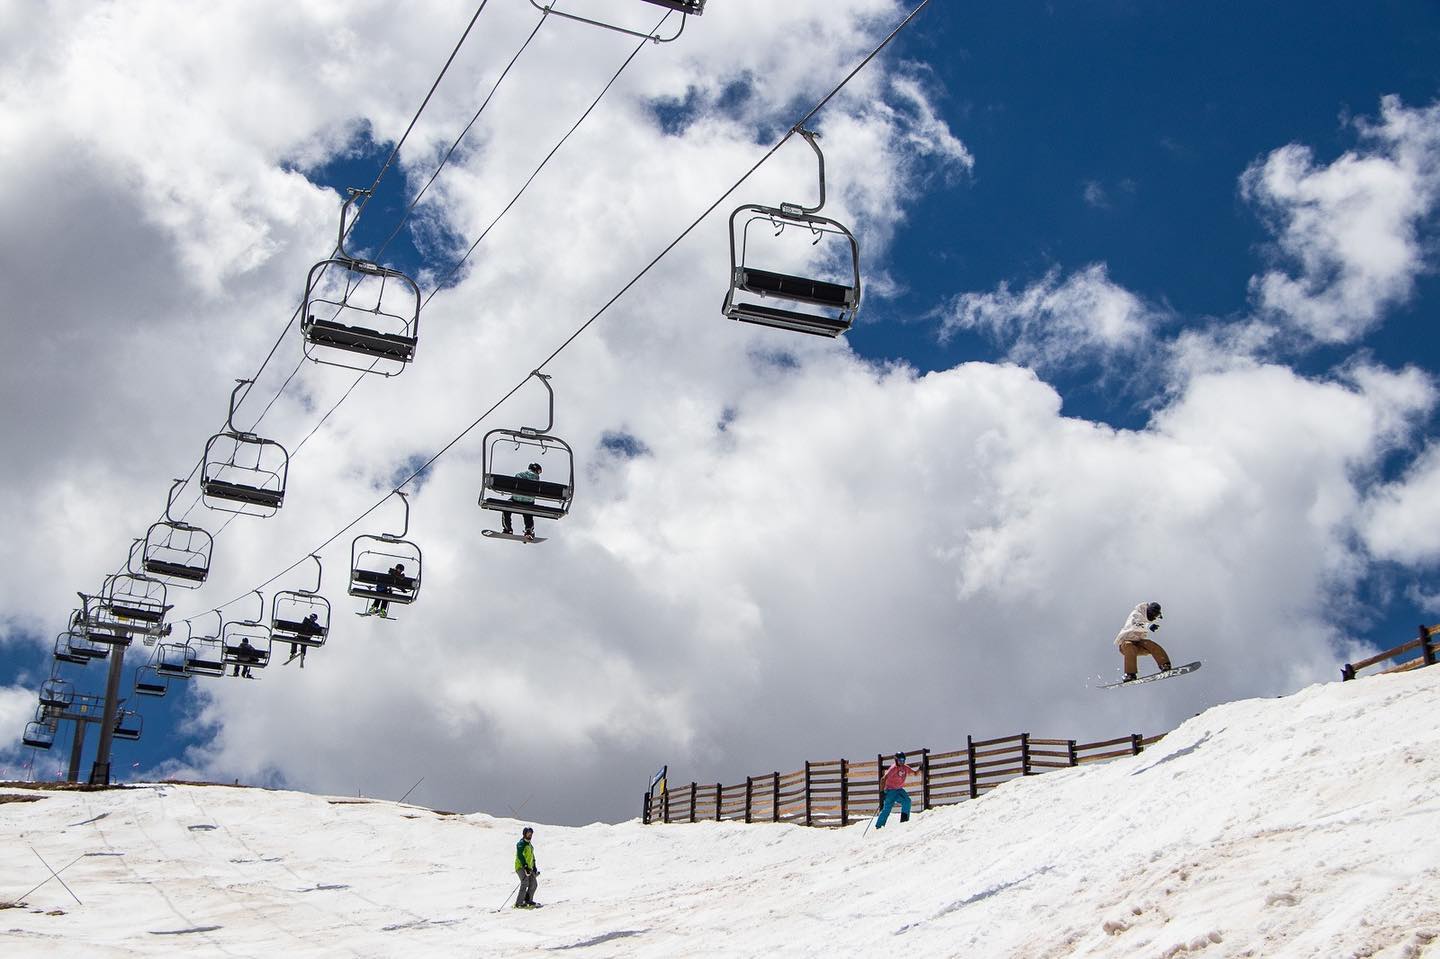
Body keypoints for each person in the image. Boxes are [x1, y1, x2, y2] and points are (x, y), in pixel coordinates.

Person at [1115, 601, 1171, 681]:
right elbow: (1135, 624)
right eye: (1155, 615)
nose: (1155, 618)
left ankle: (1165, 664)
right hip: (1126, 645)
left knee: (1149, 643)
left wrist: (1149, 625)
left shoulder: (1146, 619)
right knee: (1129, 645)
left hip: (1138, 644)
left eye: (1157, 616)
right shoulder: (1136, 614)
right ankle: (1130, 674)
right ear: (1150, 612)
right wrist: (1149, 626)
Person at [875, 752, 919, 829]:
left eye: (903, 760)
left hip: (899, 790)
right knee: (887, 809)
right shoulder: (893, 768)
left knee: (907, 801)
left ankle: (904, 821)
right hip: (890, 791)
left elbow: (915, 773)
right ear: (896, 760)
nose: (902, 762)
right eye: (900, 760)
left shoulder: (905, 767)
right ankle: (879, 826)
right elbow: (883, 779)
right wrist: (882, 792)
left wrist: (920, 768)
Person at [502, 463, 542, 542]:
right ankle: (528, 530)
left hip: (516, 499)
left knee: (506, 508)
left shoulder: (519, 475)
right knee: (528, 512)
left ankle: (508, 529)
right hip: (528, 502)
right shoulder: (536, 478)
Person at [514, 826, 540, 909]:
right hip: (521, 867)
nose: (530, 835)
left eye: (531, 833)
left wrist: (534, 866)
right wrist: (525, 867)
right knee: (525, 883)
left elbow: (532, 856)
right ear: (524, 834)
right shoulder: (521, 844)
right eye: (528, 833)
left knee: (534, 884)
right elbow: (520, 855)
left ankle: (528, 900)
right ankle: (519, 903)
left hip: (529, 868)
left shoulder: (530, 845)